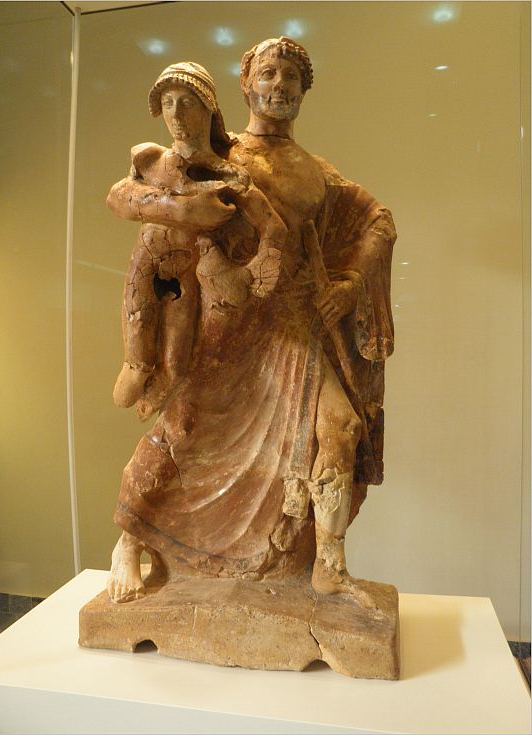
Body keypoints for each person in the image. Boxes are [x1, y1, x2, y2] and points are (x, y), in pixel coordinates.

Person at [106, 38, 396, 606]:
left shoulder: (318, 174)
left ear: (304, 91)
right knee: (185, 431)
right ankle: (128, 540)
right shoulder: (217, 151)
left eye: (291, 76)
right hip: (224, 325)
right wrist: (181, 208)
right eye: (268, 72)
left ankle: (329, 567)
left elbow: (378, 221)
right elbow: (124, 193)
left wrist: (349, 286)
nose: (279, 84)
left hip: (292, 327)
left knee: (340, 428)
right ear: (244, 84)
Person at [110, 62, 285, 418]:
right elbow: (117, 198)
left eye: (187, 102)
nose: (175, 114)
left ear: (209, 109)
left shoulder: (228, 175)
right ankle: (137, 364)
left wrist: (258, 268)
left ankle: (162, 395)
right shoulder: (150, 159)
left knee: (177, 360)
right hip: (148, 260)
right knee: (139, 325)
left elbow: (273, 226)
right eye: (168, 103)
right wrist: (183, 210)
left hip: (189, 272)